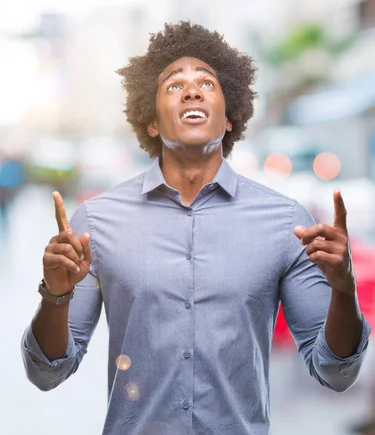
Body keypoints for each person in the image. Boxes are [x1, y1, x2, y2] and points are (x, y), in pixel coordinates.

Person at [20, 22, 371, 435]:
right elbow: (46, 375)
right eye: (173, 85)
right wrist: (55, 297)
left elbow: (336, 372)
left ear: (228, 118)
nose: (191, 90)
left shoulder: (286, 223)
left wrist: (344, 291)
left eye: (207, 82)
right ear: (151, 122)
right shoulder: (95, 223)